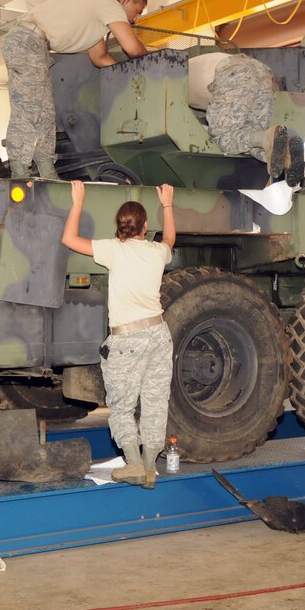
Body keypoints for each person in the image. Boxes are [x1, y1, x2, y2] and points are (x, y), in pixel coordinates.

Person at [61, 180, 176, 489]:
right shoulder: (157, 252)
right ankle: (150, 467)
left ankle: (134, 464)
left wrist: (78, 201)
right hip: (159, 334)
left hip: (128, 340)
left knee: (122, 405)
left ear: (120, 227)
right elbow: (170, 238)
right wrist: (167, 204)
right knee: (155, 401)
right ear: (145, 227)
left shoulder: (113, 249)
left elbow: (69, 238)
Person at [3, 0, 150, 179]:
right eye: (137, 11)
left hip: (35, 45)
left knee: (46, 112)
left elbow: (99, 58)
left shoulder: (98, 15)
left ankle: (47, 171)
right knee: (29, 107)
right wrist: (153, 63)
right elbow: (132, 48)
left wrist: (125, 74)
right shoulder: (108, 2)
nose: (135, 19)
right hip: (26, 40)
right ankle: (19, 170)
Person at [188, 51, 304, 186]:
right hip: (262, 72)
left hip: (233, 74)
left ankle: (266, 137)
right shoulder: (189, 64)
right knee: (248, 138)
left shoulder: (172, 79)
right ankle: (286, 151)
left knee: (222, 138)